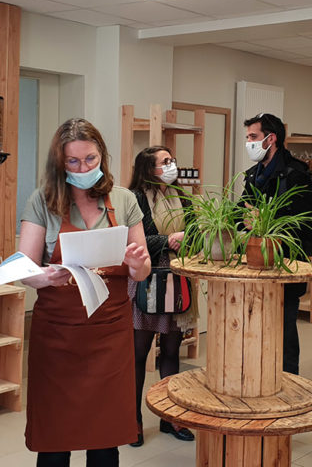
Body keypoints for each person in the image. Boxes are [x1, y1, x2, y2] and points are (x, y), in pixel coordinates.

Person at [19, 118, 151, 467]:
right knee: (54, 439)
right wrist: (42, 278)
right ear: (59, 164)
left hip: (109, 336)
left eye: (90, 159)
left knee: (106, 439)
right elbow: (25, 268)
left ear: (102, 156)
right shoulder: (42, 201)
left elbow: (143, 267)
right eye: (73, 162)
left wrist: (137, 263)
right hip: (57, 338)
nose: (83, 168)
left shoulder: (123, 201)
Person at [241, 113, 312, 375]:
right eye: (248, 138)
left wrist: (263, 221)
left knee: (285, 328)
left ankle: (290, 383)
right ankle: (260, 379)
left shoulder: (296, 174)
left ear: (271, 138)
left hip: (286, 266)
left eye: (253, 137)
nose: (249, 143)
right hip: (256, 264)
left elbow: (304, 221)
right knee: (256, 329)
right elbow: (240, 212)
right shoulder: (253, 175)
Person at [126, 146, 196, 446]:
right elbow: (138, 238)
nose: (171, 166)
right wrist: (168, 239)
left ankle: (171, 417)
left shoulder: (183, 196)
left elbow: (196, 227)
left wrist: (188, 238)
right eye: (164, 162)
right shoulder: (136, 198)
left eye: (172, 161)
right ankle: (133, 421)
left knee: (171, 351)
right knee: (137, 354)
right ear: (148, 168)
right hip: (147, 279)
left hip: (179, 280)